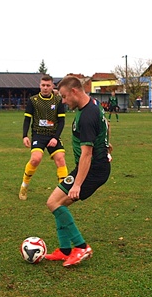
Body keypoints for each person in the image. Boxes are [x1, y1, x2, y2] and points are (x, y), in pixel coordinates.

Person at [44, 76, 111, 267]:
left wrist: (77, 184)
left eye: (64, 97)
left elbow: (87, 154)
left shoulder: (87, 116)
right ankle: (65, 250)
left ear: (74, 91)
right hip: (90, 167)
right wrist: (107, 145)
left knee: (54, 203)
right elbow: (107, 124)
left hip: (92, 170)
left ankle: (81, 247)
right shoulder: (92, 104)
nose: (64, 102)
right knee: (57, 204)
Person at [18, 75, 68, 201]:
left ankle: (63, 192)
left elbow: (61, 122)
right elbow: (27, 119)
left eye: (48, 85)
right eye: (43, 85)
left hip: (53, 135)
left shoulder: (58, 100)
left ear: (52, 86)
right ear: (39, 86)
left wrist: (55, 138)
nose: (45, 88)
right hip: (38, 134)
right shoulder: (33, 100)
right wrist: (25, 135)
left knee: (61, 159)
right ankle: (24, 186)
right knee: (35, 159)